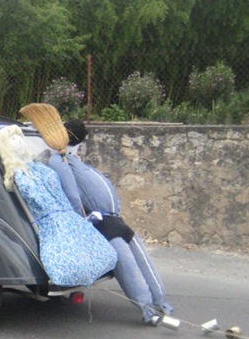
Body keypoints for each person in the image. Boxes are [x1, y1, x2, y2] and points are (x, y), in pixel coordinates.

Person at [63, 118, 175, 322]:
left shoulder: (66, 163)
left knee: (129, 270)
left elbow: (73, 196)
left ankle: (149, 310)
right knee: (142, 264)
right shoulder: (81, 164)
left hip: (105, 224)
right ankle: (161, 303)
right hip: (117, 219)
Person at [0, 124, 117, 287]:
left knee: (91, 247)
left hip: (63, 212)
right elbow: (35, 197)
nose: (19, 143)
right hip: (50, 217)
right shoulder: (20, 174)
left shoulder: (35, 166)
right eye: (13, 140)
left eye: (19, 138)